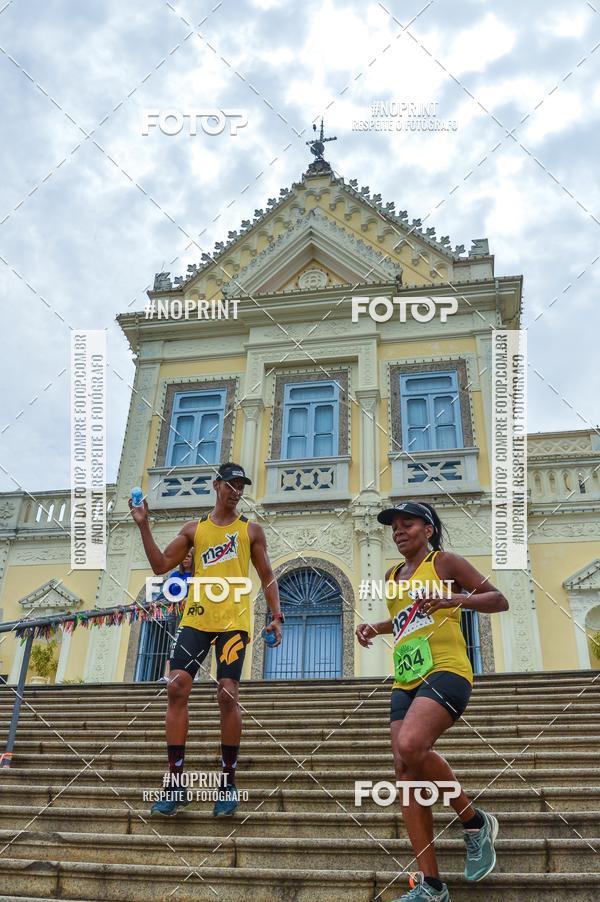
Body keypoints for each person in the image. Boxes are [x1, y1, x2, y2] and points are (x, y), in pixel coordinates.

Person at [356, 501, 509, 902]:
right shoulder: (392, 575)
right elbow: (410, 615)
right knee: (406, 775)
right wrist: (377, 625)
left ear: (428, 529)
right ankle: (432, 885)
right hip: (406, 677)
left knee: (412, 745)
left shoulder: (446, 563)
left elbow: (497, 600)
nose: (398, 532)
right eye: (394, 527)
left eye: (407, 525)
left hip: (447, 670)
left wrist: (455, 600)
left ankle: (474, 821)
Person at [130, 462, 284, 818]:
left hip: (233, 622)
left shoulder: (251, 531)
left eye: (241, 486)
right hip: (197, 619)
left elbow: (267, 575)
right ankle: (175, 782)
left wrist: (276, 616)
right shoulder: (194, 530)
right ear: (216, 485)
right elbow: (159, 565)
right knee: (176, 687)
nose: (236, 491)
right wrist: (143, 525)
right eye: (230, 484)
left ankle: (227, 782)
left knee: (227, 692)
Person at [156, 549, 194, 683]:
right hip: (174, 614)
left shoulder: (198, 576)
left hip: (191, 615)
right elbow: (164, 594)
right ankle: (167, 675)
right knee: (173, 643)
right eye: (183, 556)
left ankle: (192, 675)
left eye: (188, 556)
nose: (185, 559)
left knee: (192, 644)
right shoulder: (174, 576)